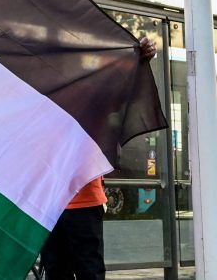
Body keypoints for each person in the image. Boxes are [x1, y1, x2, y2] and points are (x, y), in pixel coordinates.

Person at [41, 35, 159, 280]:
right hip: (50, 202)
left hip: (81, 201)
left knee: (87, 271)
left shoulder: (93, 96)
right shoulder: (41, 97)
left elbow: (128, 91)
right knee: (57, 271)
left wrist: (141, 58)